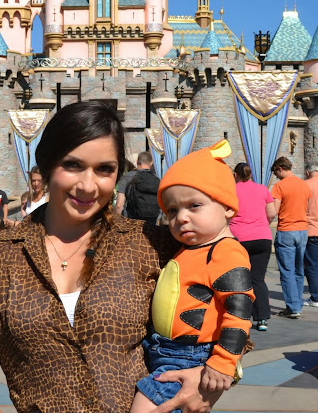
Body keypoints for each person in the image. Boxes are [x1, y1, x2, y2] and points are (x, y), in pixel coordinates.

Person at [0, 101, 224, 413]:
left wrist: (210, 379)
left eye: (104, 169)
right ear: (47, 166)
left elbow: (232, 304)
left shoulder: (148, 244)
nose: (88, 185)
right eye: (73, 165)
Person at [131, 140, 254, 413]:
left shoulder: (225, 250)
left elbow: (239, 309)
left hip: (188, 356)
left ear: (227, 207)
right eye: (172, 210)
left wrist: (223, 362)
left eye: (194, 205)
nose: (181, 218)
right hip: (163, 349)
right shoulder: (190, 247)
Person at [230, 162, 276, 332]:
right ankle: (262, 318)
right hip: (262, 237)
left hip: (238, 238)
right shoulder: (262, 189)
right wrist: (261, 224)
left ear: (235, 175)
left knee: (238, 278)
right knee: (258, 279)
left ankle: (239, 316)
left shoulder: (231, 190)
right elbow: (272, 213)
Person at [271, 156, 311, 319]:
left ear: (280, 168)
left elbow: (274, 211)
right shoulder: (303, 184)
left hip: (287, 230)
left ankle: (293, 307)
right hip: (302, 230)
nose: (276, 177)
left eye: (276, 173)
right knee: (298, 270)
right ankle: (298, 304)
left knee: (287, 270)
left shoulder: (279, 186)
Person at [115, 151, 158, 221]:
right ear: (151, 163)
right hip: (150, 224)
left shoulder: (127, 177)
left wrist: (116, 222)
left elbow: (119, 206)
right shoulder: (156, 179)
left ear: (137, 162)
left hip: (131, 223)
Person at [304, 162, 318, 307]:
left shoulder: (306, 185)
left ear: (308, 172)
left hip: (312, 229)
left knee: (312, 265)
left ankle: (316, 297)